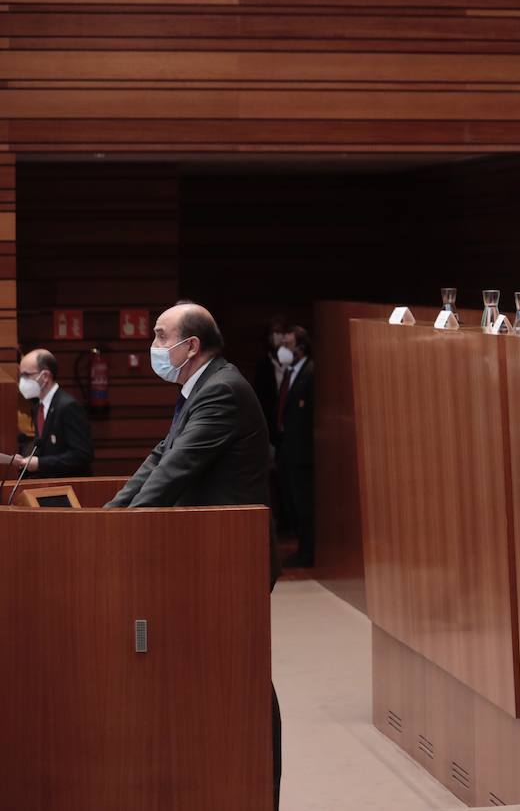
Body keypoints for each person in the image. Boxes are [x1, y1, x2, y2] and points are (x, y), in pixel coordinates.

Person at [102, 301, 282, 808]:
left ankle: (257, 788)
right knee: (220, 673)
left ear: (190, 346)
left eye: (161, 337)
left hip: (229, 558)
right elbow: (159, 456)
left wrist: (119, 527)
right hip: (209, 556)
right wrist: (108, 517)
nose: (154, 347)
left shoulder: (220, 390)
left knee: (241, 677)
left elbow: (175, 473)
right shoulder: (201, 387)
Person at [5, 348, 93, 478]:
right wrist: (25, 459)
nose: (22, 381)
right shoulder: (38, 407)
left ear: (45, 376)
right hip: (47, 483)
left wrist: (40, 463)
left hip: (70, 486)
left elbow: (82, 455)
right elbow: (44, 447)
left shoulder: (68, 406)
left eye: (26, 375)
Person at [274, 326, 315, 569]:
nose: (284, 350)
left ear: (300, 348)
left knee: (303, 504)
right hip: (286, 449)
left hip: (302, 453)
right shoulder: (289, 373)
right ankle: (301, 546)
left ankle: (307, 551)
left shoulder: (311, 372)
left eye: (288, 345)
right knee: (290, 502)